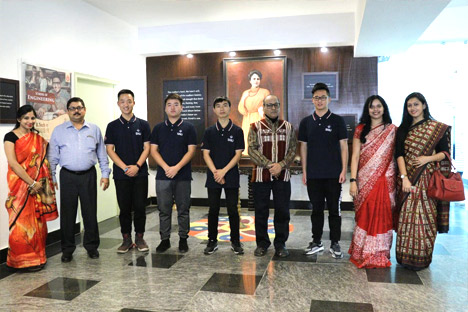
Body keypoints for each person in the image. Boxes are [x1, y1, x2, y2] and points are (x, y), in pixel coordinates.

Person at [48, 97, 111, 262]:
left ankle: (92, 247)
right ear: (68, 111)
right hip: (67, 176)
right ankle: (67, 250)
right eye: (72, 108)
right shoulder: (58, 131)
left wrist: (105, 174)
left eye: (79, 107)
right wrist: (52, 176)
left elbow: (102, 155)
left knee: (90, 212)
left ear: (85, 109)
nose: (76, 110)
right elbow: (53, 157)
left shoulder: (94, 129)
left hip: (88, 175)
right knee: (68, 214)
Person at [395, 92, 450, 271]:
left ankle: (422, 257)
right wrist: (404, 178)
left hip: (428, 180)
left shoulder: (436, 128)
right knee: (407, 217)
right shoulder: (402, 129)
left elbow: (445, 154)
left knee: (426, 218)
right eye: (409, 105)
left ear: (424, 105)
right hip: (408, 179)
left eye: (416, 104)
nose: (413, 108)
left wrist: (427, 158)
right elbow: (399, 155)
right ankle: (404, 257)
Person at [3, 105, 58, 271]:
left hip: (38, 187)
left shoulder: (37, 137)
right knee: (21, 223)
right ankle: (19, 261)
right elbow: (13, 163)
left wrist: (39, 183)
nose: (30, 121)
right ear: (19, 119)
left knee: (38, 224)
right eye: (26, 118)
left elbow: (43, 162)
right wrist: (31, 183)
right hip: (20, 186)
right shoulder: (10, 136)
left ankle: (38, 258)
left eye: (32, 118)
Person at [299, 82, 348, 258]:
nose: (320, 101)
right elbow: (303, 148)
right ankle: (317, 241)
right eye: (317, 98)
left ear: (329, 99)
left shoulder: (337, 121)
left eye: (323, 97)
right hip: (314, 175)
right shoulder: (306, 122)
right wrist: (305, 171)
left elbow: (344, 147)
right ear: (312, 100)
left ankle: (335, 243)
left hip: (334, 175)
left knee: (334, 210)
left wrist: (343, 170)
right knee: (316, 210)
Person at [348, 95, 397, 268]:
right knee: (365, 215)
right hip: (364, 179)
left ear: (384, 108)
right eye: (371, 107)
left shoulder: (392, 130)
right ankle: (361, 252)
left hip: (385, 180)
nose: (375, 110)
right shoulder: (360, 129)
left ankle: (380, 254)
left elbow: (397, 156)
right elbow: (354, 156)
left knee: (383, 216)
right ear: (367, 110)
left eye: (379, 106)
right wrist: (353, 180)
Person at [248, 95, 297, 258]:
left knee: (282, 211)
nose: (273, 108)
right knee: (261, 211)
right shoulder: (255, 127)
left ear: (279, 106)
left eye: (276, 104)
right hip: (261, 177)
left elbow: (292, 150)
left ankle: (280, 244)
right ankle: (262, 244)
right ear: (263, 107)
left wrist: (281, 166)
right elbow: (252, 150)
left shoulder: (288, 127)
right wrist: (270, 165)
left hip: (283, 177)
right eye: (269, 105)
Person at [105, 89, 151, 253]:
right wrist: (125, 167)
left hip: (140, 173)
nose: (126, 104)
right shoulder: (112, 126)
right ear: (118, 104)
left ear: (134, 103)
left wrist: (137, 166)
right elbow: (110, 150)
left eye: (129, 101)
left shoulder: (143, 124)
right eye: (122, 101)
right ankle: (126, 239)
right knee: (124, 208)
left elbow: (147, 148)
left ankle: (139, 238)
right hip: (121, 174)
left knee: (139, 206)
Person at [150, 93, 197, 253]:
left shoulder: (188, 127)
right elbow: (153, 151)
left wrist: (176, 167)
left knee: (183, 209)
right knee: (164, 209)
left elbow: (191, 151)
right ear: (165, 108)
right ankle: (165, 239)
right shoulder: (158, 128)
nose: (172, 107)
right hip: (163, 176)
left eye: (176, 104)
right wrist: (166, 167)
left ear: (182, 107)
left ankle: (183, 239)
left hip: (182, 175)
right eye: (169, 104)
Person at [201, 96, 244, 255]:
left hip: (231, 175)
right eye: (218, 106)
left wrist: (223, 171)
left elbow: (238, 155)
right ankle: (212, 240)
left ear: (229, 108)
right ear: (214, 110)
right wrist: (215, 172)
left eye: (225, 105)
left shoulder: (237, 130)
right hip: (213, 176)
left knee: (233, 209)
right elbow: (206, 155)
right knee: (213, 209)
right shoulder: (209, 131)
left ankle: (235, 241)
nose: (222, 108)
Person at [238, 70, 270, 154]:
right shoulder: (245, 93)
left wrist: (262, 110)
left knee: (259, 138)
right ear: (250, 81)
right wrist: (244, 98)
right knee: (247, 137)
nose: (256, 81)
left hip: (260, 117)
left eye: (258, 79)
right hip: (247, 118)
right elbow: (241, 108)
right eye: (254, 79)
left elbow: (269, 105)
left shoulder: (265, 92)